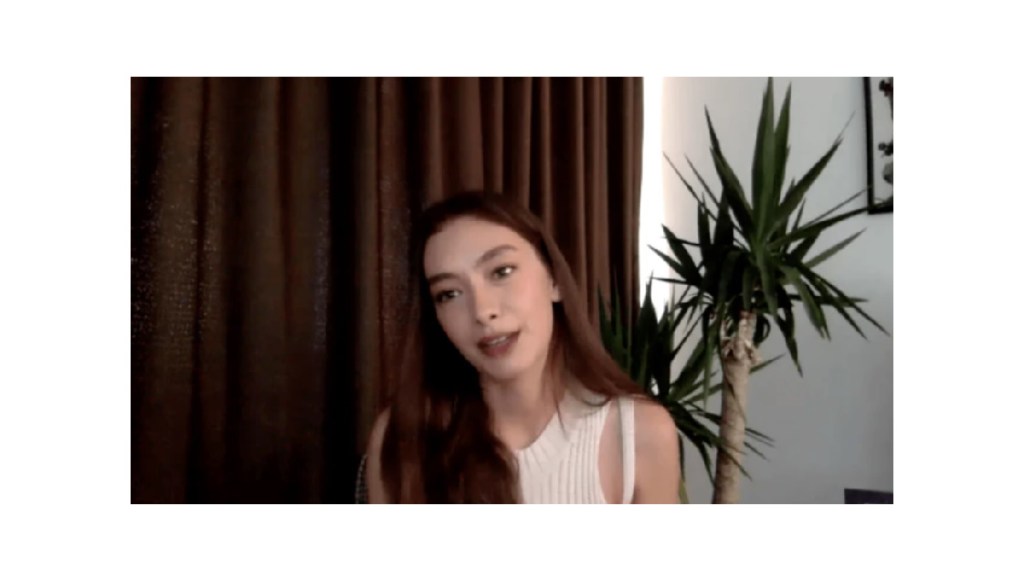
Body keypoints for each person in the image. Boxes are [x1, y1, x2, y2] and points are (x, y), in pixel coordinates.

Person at [366, 191, 680, 503]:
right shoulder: (402, 438)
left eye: (501, 272)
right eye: (449, 293)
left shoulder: (640, 434)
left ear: (554, 279)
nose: (482, 311)